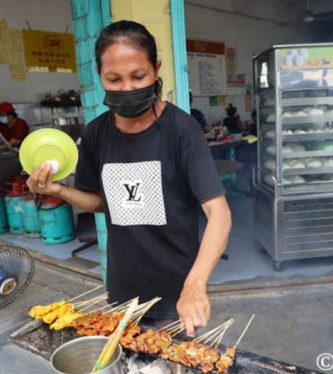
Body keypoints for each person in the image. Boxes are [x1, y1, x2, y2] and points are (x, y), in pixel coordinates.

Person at [26, 20, 231, 336]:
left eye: (138, 76)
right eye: (114, 79)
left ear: (156, 69)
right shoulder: (96, 133)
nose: (127, 88)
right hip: (124, 288)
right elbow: (98, 202)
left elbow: (218, 213)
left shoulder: (181, 130)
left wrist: (195, 283)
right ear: (100, 76)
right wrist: (57, 189)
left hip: (177, 291)